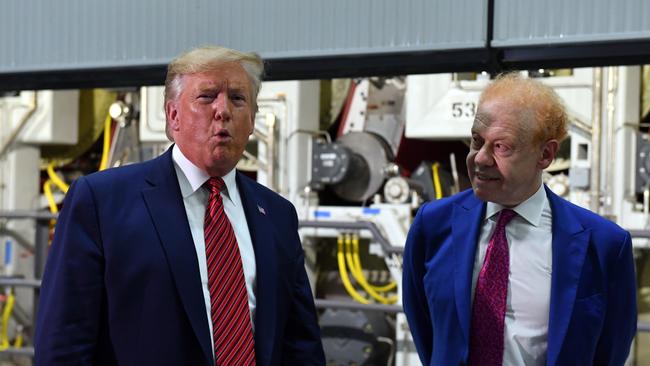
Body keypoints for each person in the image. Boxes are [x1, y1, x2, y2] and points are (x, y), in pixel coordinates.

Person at [35, 45, 326, 366]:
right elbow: (64, 339)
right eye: (206, 96)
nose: (223, 110)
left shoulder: (276, 215)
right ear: (173, 116)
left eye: (238, 99)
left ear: (253, 119)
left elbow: (301, 344)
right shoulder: (102, 202)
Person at [402, 73, 637, 365]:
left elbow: (610, 349)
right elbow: (425, 328)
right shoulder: (433, 225)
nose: (480, 158)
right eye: (477, 141)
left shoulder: (604, 245)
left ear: (545, 155)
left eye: (501, 147)